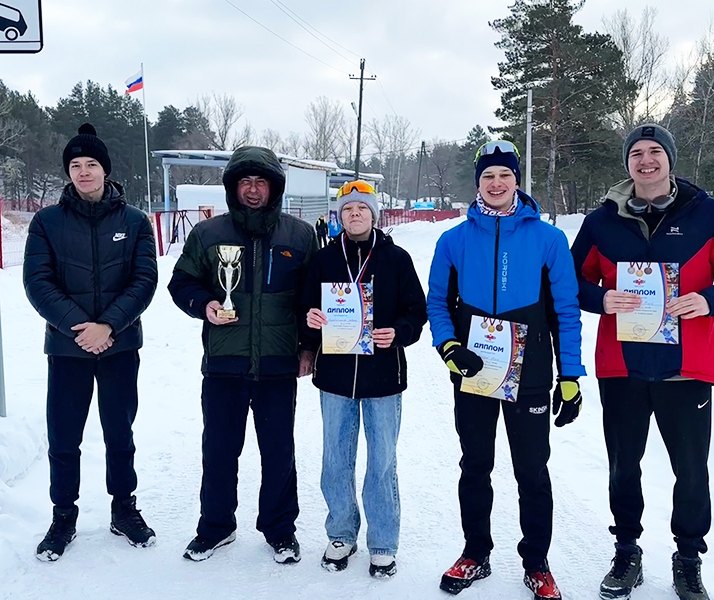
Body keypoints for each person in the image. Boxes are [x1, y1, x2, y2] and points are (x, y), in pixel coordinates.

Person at [570, 123, 714, 600]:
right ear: (628, 164)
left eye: (655, 152)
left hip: (687, 366)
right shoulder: (601, 222)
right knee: (623, 467)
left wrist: (708, 301)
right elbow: (570, 282)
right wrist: (602, 298)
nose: (646, 161)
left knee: (692, 469)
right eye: (636, 153)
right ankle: (627, 553)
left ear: (670, 159)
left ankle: (688, 557)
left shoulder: (710, 215)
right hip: (622, 365)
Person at [427, 141, 585, 599]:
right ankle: (475, 552)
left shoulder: (548, 238)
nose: (496, 184)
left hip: (530, 371)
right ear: (478, 182)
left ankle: (536, 562)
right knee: (475, 464)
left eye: (505, 175)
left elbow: (567, 312)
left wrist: (570, 375)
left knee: (532, 470)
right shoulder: (453, 239)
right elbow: (438, 302)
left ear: (517, 180)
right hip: (474, 370)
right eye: (488, 176)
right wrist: (449, 346)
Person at [168, 146, 317, 563]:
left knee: (278, 451)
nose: (253, 190)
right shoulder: (209, 234)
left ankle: (280, 530)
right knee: (218, 449)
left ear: (275, 188)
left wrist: (307, 347)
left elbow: (311, 297)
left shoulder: (299, 235)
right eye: (245, 182)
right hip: (223, 363)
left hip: (277, 363)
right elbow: (182, 283)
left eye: (261, 182)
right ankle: (215, 527)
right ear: (233, 187)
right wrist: (204, 305)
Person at [23, 123, 158, 561]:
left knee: (119, 432)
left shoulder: (135, 221)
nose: (84, 172)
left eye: (92, 164)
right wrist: (81, 327)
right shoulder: (47, 222)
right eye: (76, 165)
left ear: (106, 170)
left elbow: (143, 281)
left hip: (118, 346)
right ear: (68, 172)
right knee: (64, 436)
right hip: (67, 347)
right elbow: (37, 281)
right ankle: (63, 516)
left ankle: (124, 508)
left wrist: (109, 327)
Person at [301, 181, 427, 578]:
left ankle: (383, 542)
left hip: (383, 379)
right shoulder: (322, 260)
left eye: (362, 208)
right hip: (336, 378)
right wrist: (310, 321)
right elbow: (302, 307)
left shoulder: (396, 259)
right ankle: (340, 532)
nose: (355, 214)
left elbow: (416, 311)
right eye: (348, 209)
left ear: (374, 214)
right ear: (339, 216)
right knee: (336, 459)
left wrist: (399, 332)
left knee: (382, 462)